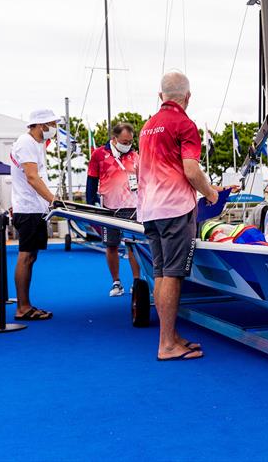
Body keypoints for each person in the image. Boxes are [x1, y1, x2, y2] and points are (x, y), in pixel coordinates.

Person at [138, 71, 220, 361]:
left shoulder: (147, 127)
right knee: (173, 274)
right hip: (174, 209)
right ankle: (167, 344)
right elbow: (190, 170)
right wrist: (210, 193)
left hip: (149, 209)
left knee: (161, 272)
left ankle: (169, 337)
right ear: (188, 97)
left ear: (160, 96)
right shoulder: (185, 125)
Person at [9, 109, 59, 321]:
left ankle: (25, 304)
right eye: (53, 124)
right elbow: (31, 177)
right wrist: (53, 200)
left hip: (35, 208)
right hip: (28, 209)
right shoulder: (26, 142)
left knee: (31, 256)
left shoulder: (36, 145)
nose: (55, 128)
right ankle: (22, 307)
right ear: (41, 125)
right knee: (26, 255)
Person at [86, 122, 142, 296]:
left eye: (130, 142)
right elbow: (91, 182)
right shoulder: (99, 155)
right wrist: (90, 206)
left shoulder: (136, 156)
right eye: (124, 142)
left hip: (133, 207)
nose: (127, 145)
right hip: (109, 209)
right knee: (111, 246)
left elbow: (144, 181)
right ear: (114, 138)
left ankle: (137, 282)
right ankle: (116, 282)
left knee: (134, 246)